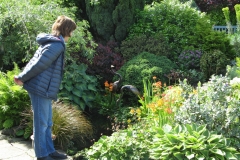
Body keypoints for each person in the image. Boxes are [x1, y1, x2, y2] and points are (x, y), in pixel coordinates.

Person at [14, 15, 76, 160]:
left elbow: (35, 60)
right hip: (40, 88)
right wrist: (22, 77)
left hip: (45, 89)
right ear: (66, 30)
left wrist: (22, 76)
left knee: (47, 122)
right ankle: (42, 154)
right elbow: (39, 64)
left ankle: (49, 150)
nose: (72, 35)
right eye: (71, 31)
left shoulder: (54, 42)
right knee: (41, 123)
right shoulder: (56, 45)